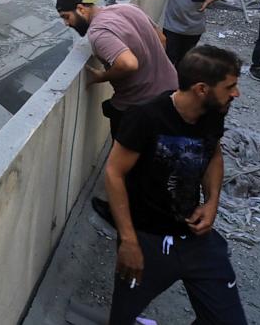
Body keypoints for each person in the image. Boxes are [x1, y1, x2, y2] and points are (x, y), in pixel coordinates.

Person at [105, 45, 247, 325]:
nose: (236, 93)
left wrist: (212, 201)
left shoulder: (213, 113)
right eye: (230, 86)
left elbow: (212, 152)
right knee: (122, 319)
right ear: (201, 89)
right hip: (146, 240)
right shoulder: (145, 117)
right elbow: (113, 173)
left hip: (195, 239)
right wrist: (129, 241)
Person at [55, 0, 177, 139]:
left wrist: (102, 76)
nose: (66, 23)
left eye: (66, 17)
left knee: (124, 159)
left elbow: (128, 64)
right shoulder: (128, 8)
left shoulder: (98, 33)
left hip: (139, 107)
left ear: (80, 9)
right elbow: (162, 39)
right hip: (171, 92)